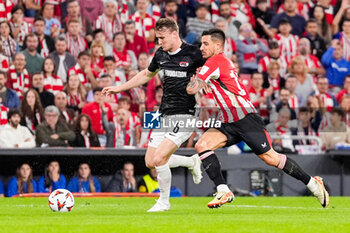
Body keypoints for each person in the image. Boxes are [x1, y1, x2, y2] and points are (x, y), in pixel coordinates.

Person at [186, 28, 329, 208]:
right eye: (201, 44)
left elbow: (192, 89)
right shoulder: (219, 62)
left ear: (218, 45)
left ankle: (313, 184)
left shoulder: (215, 61)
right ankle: (223, 190)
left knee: (271, 158)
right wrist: (203, 79)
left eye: (206, 44)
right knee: (202, 144)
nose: (201, 47)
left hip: (246, 119)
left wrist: (195, 79)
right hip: (229, 121)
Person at [102, 18, 203, 212]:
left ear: (174, 34)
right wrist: (119, 88)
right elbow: (147, 74)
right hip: (164, 113)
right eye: (157, 38)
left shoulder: (194, 53)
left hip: (186, 114)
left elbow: (214, 68)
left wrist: (205, 81)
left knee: (159, 159)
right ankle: (191, 161)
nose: (159, 42)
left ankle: (163, 202)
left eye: (162, 38)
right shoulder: (161, 54)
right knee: (151, 161)